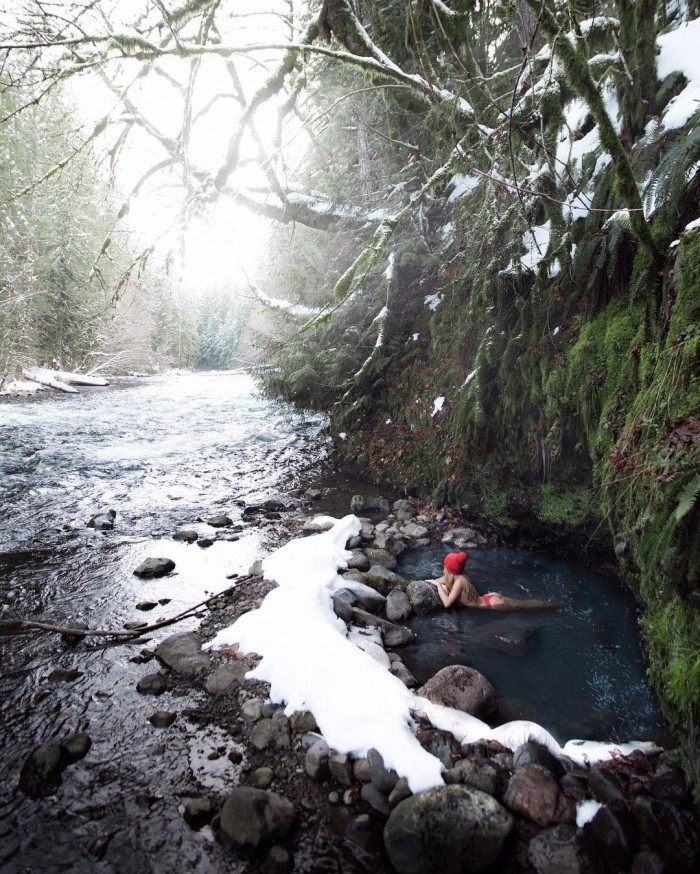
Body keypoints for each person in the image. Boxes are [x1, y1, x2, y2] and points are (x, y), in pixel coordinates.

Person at [428, 551, 557, 610]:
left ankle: (553, 605)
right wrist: (432, 581)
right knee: (523, 603)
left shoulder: (458, 582)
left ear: (449, 569)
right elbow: (439, 580)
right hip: (489, 598)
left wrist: (438, 586)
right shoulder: (460, 577)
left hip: (491, 604)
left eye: (445, 565)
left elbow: (447, 603)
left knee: (525, 606)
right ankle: (552, 604)